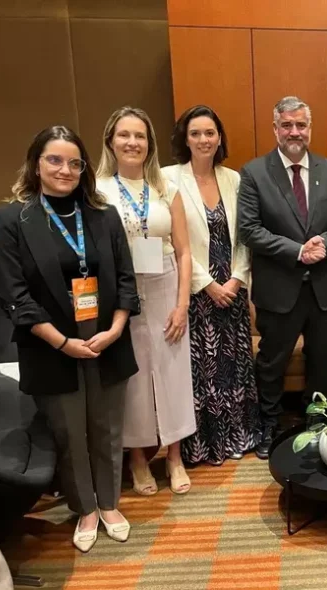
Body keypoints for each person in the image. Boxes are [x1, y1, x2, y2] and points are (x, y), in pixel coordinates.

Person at [0, 126, 140, 552]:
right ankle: (85, 507)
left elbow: (126, 279)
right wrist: (61, 341)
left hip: (107, 336)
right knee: (70, 432)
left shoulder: (102, 215)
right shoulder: (10, 220)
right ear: (36, 163)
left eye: (74, 162)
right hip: (50, 344)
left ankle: (109, 503)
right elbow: (14, 296)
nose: (65, 170)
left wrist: (115, 328)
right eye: (55, 160)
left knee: (107, 428)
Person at [238, 96, 327, 459]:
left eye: (300, 125)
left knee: (322, 361)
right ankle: (268, 424)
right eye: (287, 125)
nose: (294, 132)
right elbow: (249, 229)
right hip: (278, 290)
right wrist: (296, 250)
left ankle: (318, 422)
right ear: (275, 128)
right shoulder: (255, 173)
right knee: (272, 363)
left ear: (310, 128)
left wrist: (325, 242)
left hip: (321, 290)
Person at [96, 106, 195, 495]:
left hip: (166, 283)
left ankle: (174, 455)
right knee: (133, 377)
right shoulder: (98, 191)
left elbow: (185, 251)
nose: (132, 142)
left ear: (149, 144)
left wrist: (182, 303)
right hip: (121, 290)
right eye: (124, 135)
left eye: (140, 136)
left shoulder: (165, 189)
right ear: (111, 141)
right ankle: (138, 458)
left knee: (171, 372)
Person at [162, 105, 260, 464]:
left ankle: (239, 436)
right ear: (184, 139)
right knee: (200, 369)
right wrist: (208, 285)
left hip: (233, 288)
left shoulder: (234, 178)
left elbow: (245, 236)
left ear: (219, 138)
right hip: (194, 289)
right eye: (196, 133)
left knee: (234, 365)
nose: (204, 140)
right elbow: (175, 242)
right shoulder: (168, 178)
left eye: (210, 133)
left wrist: (236, 279)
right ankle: (204, 445)